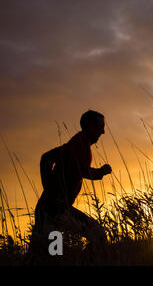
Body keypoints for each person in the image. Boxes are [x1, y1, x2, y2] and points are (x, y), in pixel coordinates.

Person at [29, 110, 112, 261]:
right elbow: (83, 171)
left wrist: (48, 190)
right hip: (54, 210)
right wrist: (101, 172)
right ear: (90, 126)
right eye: (100, 126)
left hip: (54, 208)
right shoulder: (80, 143)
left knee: (46, 254)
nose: (103, 131)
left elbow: (46, 158)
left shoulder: (75, 143)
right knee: (97, 234)